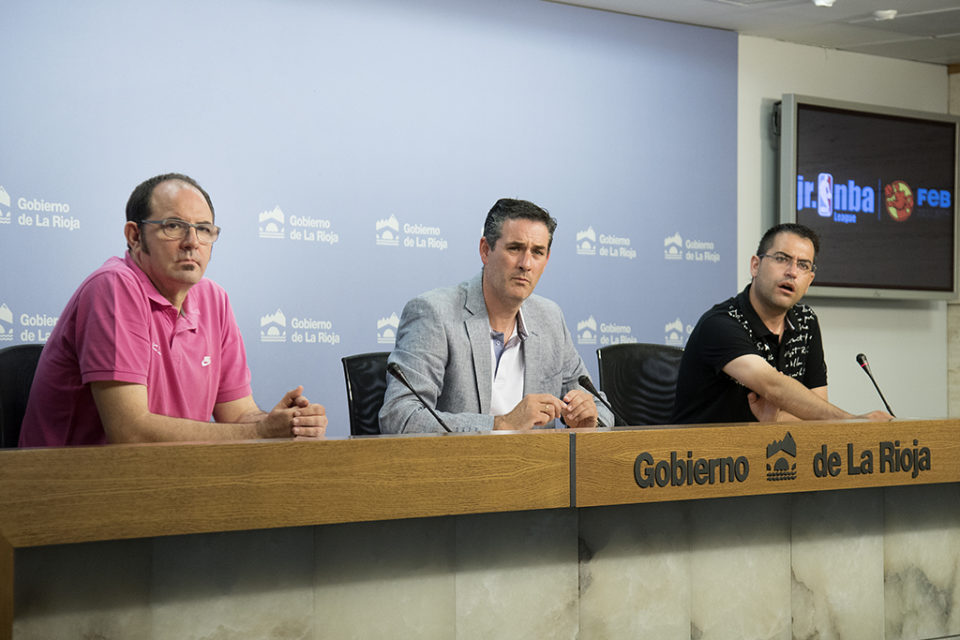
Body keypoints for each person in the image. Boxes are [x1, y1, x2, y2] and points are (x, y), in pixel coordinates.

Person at [19, 173, 327, 446]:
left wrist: (286, 423)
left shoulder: (213, 299)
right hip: (71, 492)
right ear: (135, 236)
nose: (192, 242)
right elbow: (131, 433)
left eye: (204, 229)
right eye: (174, 226)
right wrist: (261, 433)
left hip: (163, 484)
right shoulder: (114, 286)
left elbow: (237, 415)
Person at [379, 198, 612, 433]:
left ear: (546, 260)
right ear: (485, 250)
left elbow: (600, 408)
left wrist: (589, 420)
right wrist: (501, 424)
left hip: (535, 467)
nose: (526, 264)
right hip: (460, 468)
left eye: (537, 252)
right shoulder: (435, 314)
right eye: (515, 248)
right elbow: (400, 417)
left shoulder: (550, 318)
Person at [672, 222, 892, 424]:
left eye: (803, 265)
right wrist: (851, 421)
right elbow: (772, 385)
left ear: (809, 282)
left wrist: (777, 419)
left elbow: (817, 413)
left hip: (765, 453)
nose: (792, 272)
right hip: (700, 457)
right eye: (781, 259)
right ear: (755, 266)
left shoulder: (806, 322)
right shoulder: (721, 324)